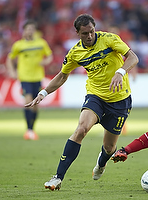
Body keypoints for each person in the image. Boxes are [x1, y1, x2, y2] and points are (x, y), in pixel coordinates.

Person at [25, 14, 139, 191]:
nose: (90, 36)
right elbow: (63, 75)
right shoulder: (75, 52)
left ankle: (101, 163)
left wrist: (121, 72)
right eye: (85, 33)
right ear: (78, 33)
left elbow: (133, 57)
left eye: (92, 31)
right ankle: (58, 177)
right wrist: (44, 92)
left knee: (109, 147)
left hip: (120, 100)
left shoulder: (109, 39)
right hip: (96, 97)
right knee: (81, 129)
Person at [6, 20, 53, 140]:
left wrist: (45, 61)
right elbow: (10, 58)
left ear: (35, 31)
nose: (30, 31)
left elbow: (49, 56)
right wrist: (12, 71)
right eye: (28, 29)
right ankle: (29, 130)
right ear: (24, 31)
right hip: (25, 77)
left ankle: (32, 128)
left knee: (35, 105)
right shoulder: (19, 45)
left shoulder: (41, 43)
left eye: (32, 29)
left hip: (37, 77)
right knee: (28, 101)